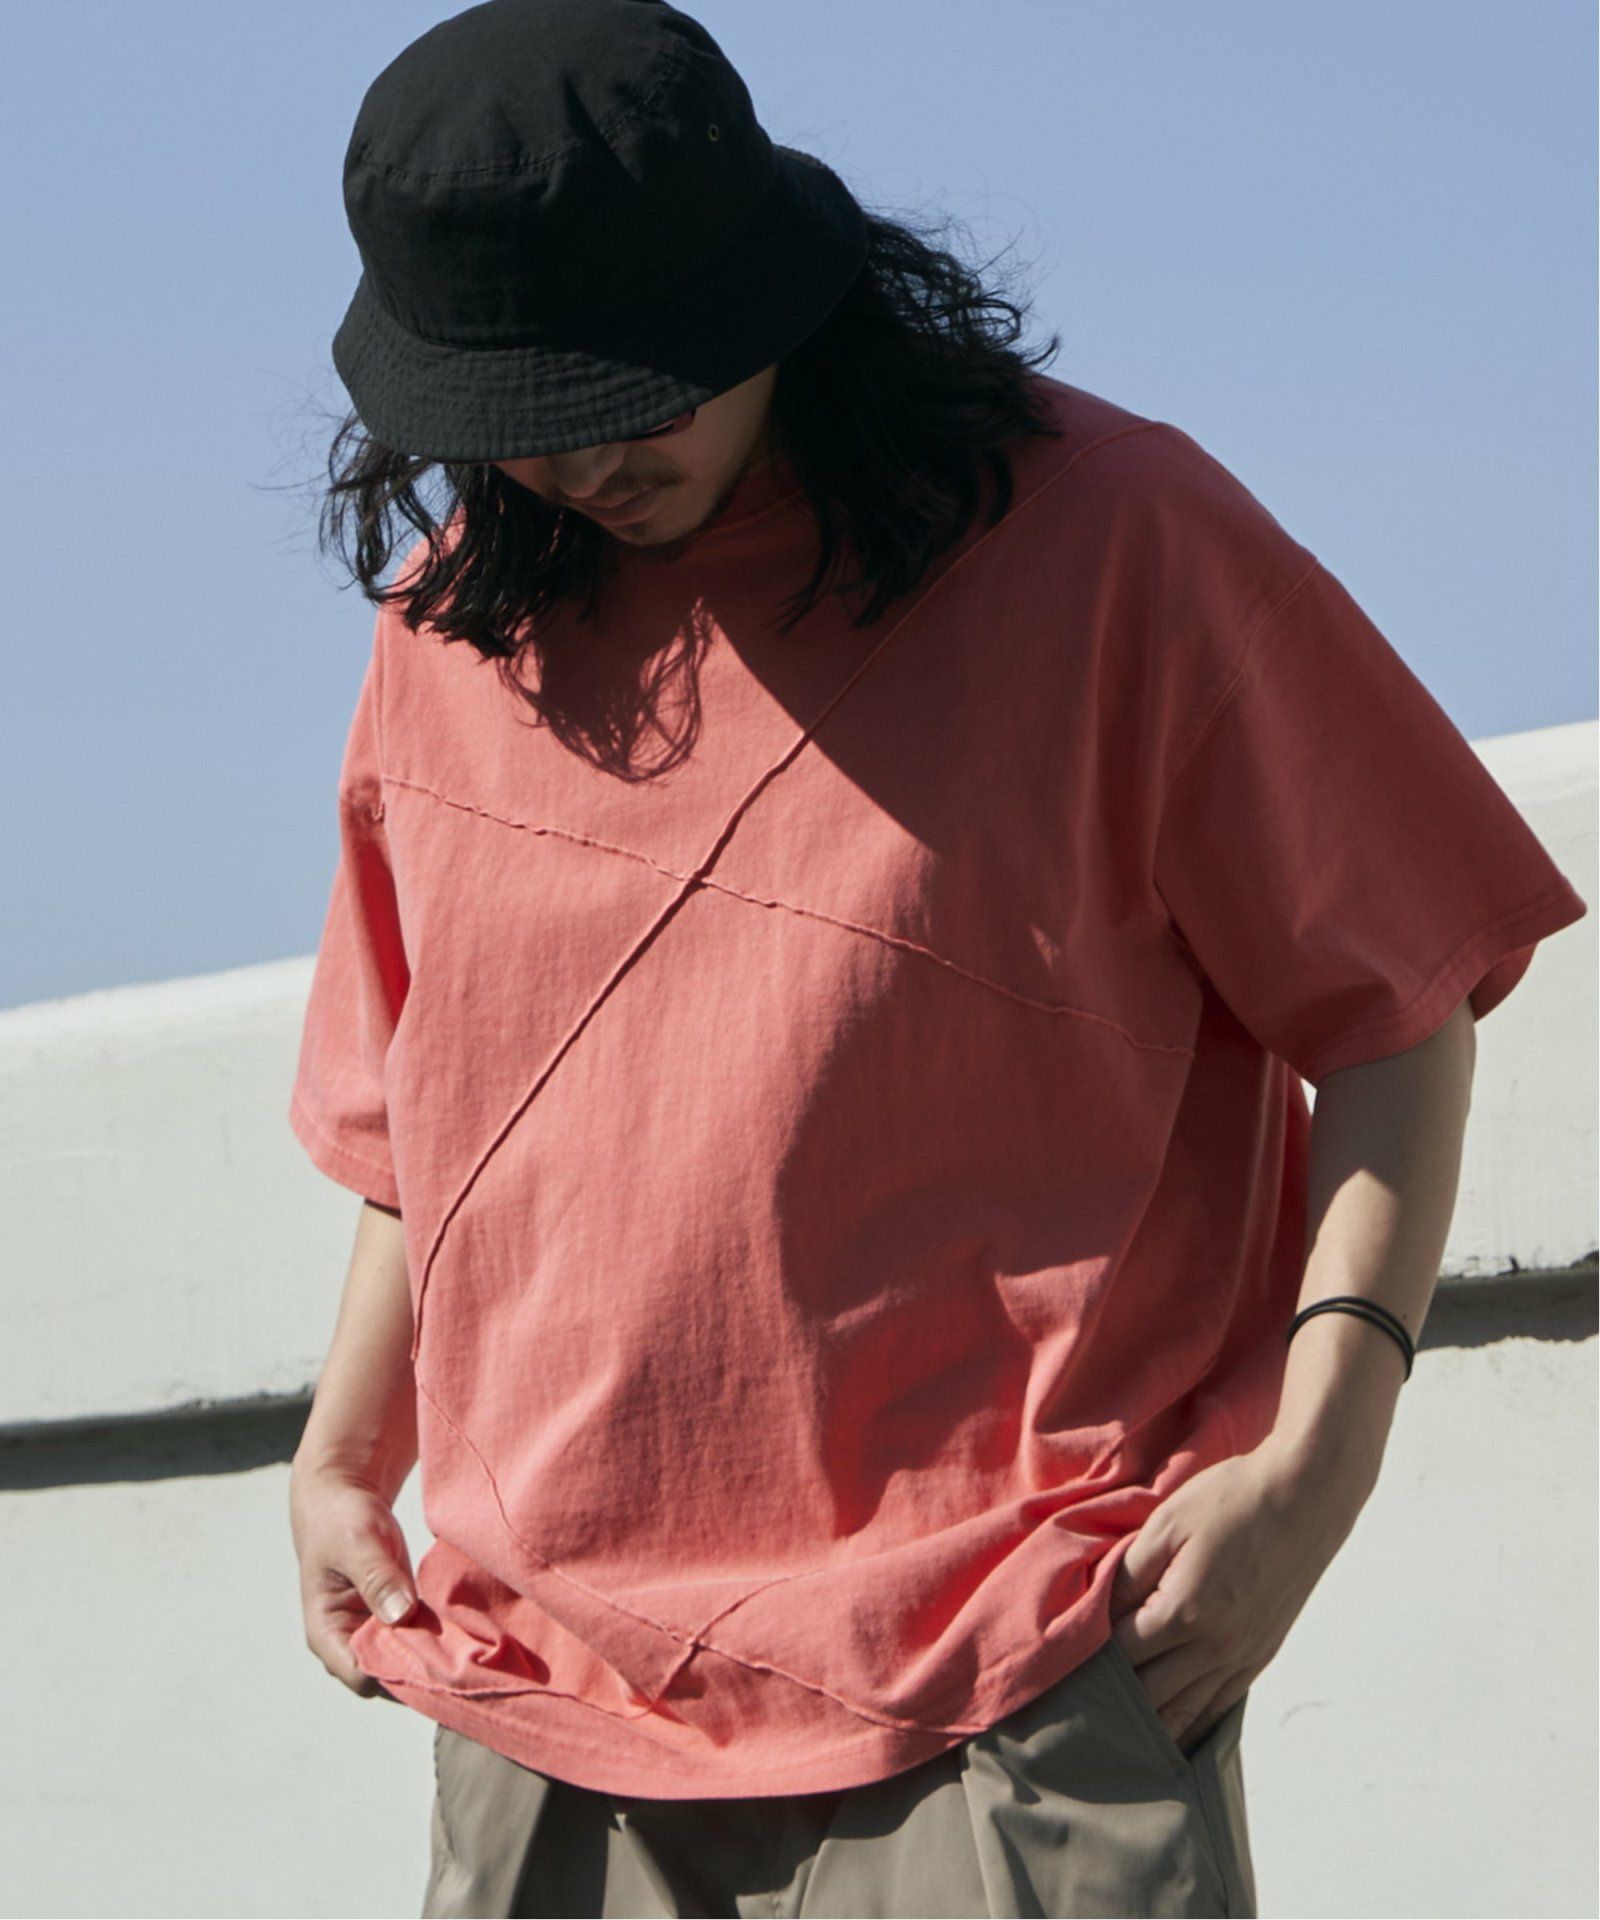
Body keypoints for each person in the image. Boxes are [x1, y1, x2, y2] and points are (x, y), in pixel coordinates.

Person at [284, 3, 1589, 1916]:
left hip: (1013, 1676)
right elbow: (440, 1116)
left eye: (631, 387)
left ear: (772, 295)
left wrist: (1322, 1462)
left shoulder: (1113, 539)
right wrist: (341, 1455)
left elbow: (1398, 1004)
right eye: (517, 416)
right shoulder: (459, 621)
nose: (578, 461)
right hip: (542, 1697)